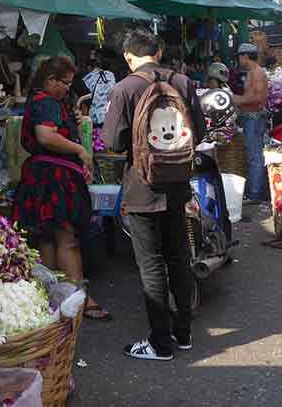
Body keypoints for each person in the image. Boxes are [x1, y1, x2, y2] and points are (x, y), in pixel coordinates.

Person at [103, 28, 204, 360]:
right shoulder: (184, 83)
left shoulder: (125, 88)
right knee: (178, 257)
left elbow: (114, 142)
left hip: (142, 186)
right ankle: (184, 334)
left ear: (128, 56)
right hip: (178, 184)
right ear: (158, 52)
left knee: (150, 265)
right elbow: (198, 133)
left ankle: (160, 344)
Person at [14, 57, 109, 320]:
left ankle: (54, 297)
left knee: (48, 236)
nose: (68, 88)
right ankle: (79, 298)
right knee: (68, 239)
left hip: (42, 176)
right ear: (50, 81)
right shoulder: (46, 102)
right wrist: (80, 150)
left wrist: (71, 120)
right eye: (65, 83)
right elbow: (45, 136)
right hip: (54, 178)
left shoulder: (43, 101)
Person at [232, 43, 269, 205]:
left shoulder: (257, 73)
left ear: (245, 56)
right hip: (251, 117)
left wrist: (235, 99)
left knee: (255, 157)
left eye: (240, 57)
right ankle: (253, 191)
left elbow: (258, 99)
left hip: (254, 118)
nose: (239, 60)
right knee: (253, 156)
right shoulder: (251, 73)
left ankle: (254, 194)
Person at [81, 49, 116, 127]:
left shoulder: (87, 79)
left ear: (89, 67)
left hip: (93, 119)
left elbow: (84, 101)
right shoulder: (110, 76)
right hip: (109, 117)